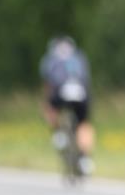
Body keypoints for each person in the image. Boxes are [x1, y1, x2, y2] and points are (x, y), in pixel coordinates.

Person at [40, 36, 95, 174]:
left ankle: (58, 134)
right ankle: (85, 158)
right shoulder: (79, 56)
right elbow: (87, 80)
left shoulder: (51, 58)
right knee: (84, 124)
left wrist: (46, 102)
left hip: (60, 91)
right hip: (81, 92)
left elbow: (48, 84)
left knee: (50, 107)